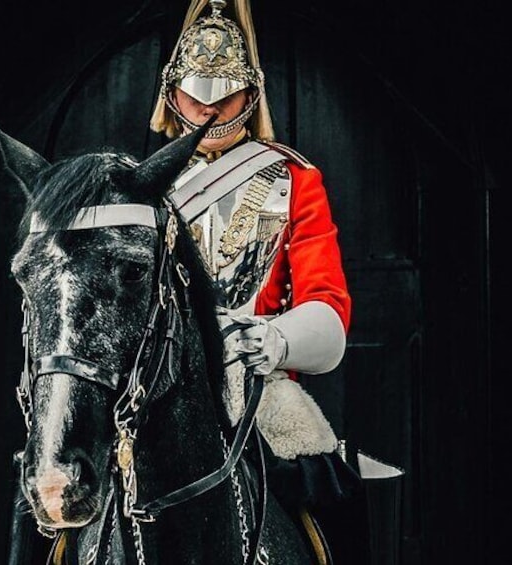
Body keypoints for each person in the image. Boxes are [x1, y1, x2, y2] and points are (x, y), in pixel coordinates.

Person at [150, 1, 369, 563]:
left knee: (331, 486)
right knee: (53, 478)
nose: (207, 106)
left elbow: (327, 300)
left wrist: (275, 340)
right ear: (172, 93)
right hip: (153, 377)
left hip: (254, 376)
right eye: (195, 93)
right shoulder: (142, 184)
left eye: (223, 93)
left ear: (251, 95)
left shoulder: (294, 178)